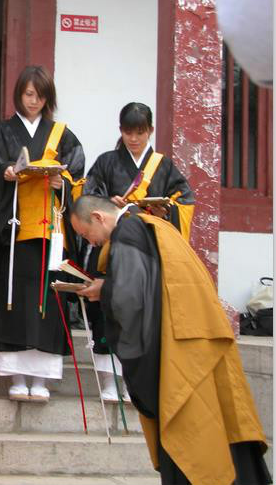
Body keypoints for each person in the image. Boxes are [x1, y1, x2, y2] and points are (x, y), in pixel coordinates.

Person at [70, 195, 270, 485]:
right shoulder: (151, 224)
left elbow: (129, 298)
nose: (90, 242)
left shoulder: (127, 233)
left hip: (174, 352)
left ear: (99, 218)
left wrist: (105, 289)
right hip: (196, 340)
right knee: (219, 423)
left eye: (86, 234)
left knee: (188, 430)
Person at [0, 65, 85, 402]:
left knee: (48, 300)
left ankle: (41, 378)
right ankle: (16, 376)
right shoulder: (2, 131)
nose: (33, 101)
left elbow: (78, 174)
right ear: (18, 95)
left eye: (40, 95)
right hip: (15, 226)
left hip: (50, 229)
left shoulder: (62, 134)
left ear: (48, 98)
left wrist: (62, 183)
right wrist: (5, 173)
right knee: (16, 297)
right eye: (28, 94)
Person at [82, 102, 194, 401]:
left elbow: (184, 200)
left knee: (141, 311)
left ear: (150, 131)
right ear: (121, 131)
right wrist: (109, 203)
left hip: (146, 250)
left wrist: (162, 210)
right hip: (111, 247)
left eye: (140, 132)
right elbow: (88, 197)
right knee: (108, 310)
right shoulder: (106, 161)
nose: (134, 138)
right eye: (129, 132)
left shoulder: (164, 165)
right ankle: (108, 381)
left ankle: (137, 381)